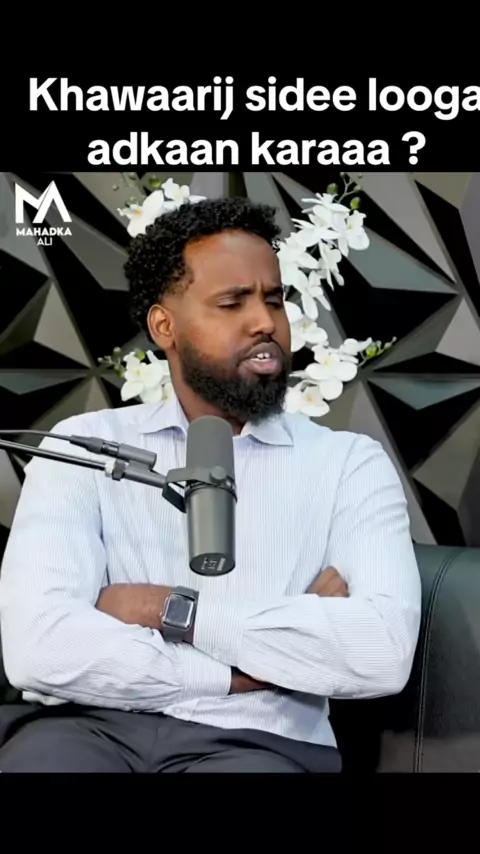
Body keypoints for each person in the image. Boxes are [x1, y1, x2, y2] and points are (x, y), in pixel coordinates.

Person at [0, 197, 421, 773]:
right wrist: (250, 665)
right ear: (164, 326)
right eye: (232, 303)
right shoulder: (84, 447)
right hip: (86, 730)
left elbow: (382, 652)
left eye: (273, 299)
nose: (264, 322)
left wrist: (164, 608)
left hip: (261, 743)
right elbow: (40, 649)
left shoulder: (349, 464)